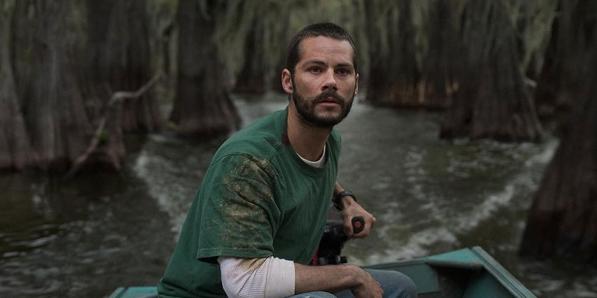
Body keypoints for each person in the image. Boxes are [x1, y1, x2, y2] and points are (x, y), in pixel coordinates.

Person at [157, 22, 417, 298]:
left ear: (355, 85)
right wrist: (351, 274)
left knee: (401, 287)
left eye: (342, 71)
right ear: (288, 81)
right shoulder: (247, 162)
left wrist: (346, 201)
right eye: (315, 69)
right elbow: (245, 283)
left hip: (277, 286)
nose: (330, 81)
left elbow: (308, 169)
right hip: (214, 294)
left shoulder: (328, 141)